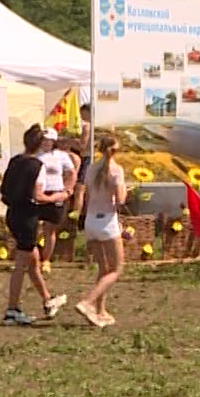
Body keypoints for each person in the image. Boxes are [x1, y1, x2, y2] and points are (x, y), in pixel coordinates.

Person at [0, 125, 67, 325]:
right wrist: (59, 196)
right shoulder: (37, 166)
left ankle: (47, 299)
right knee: (21, 265)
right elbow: (38, 195)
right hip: (27, 217)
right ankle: (12, 310)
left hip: (12, 214)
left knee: (33, 262)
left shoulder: (15, 161)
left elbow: (4, 189)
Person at [75, 134, 126, 327]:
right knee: (116, 269)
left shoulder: (91, 168)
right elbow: (120, 199)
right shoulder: (116, 170)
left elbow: (87, 192)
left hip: (91, 221)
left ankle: (100, 309)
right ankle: (88, 302)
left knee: (103, 269)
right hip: (107, 222)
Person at [35, 128, 78, 265]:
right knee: (33, 228)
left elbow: (72, 172)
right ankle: (32, 258)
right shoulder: (35, 154)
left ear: (54, 142)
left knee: (50, 229)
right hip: (37, 193)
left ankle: (46, 260)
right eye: (43, 139)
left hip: (56, 192)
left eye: (49, 140)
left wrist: (69, 189)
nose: (46, 143)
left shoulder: (61, 156)